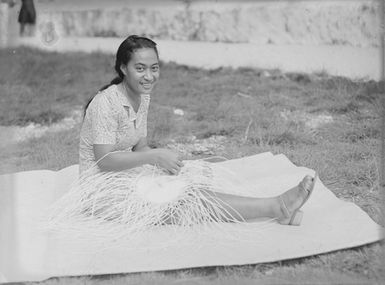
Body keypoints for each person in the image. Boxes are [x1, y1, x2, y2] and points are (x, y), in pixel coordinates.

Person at [77, 35, 316, 230]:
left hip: (126, 174)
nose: (149, 76)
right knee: (187, 202)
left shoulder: (142, 96)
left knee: (193, 180)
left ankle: (276, 208)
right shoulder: (105, 103)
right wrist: (156, 156)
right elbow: (105, 159)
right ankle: (277, 208)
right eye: (140, 68)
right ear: (123, 68)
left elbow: (140, 147)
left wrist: (168, 163)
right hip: (102, 191)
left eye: (154, 68)